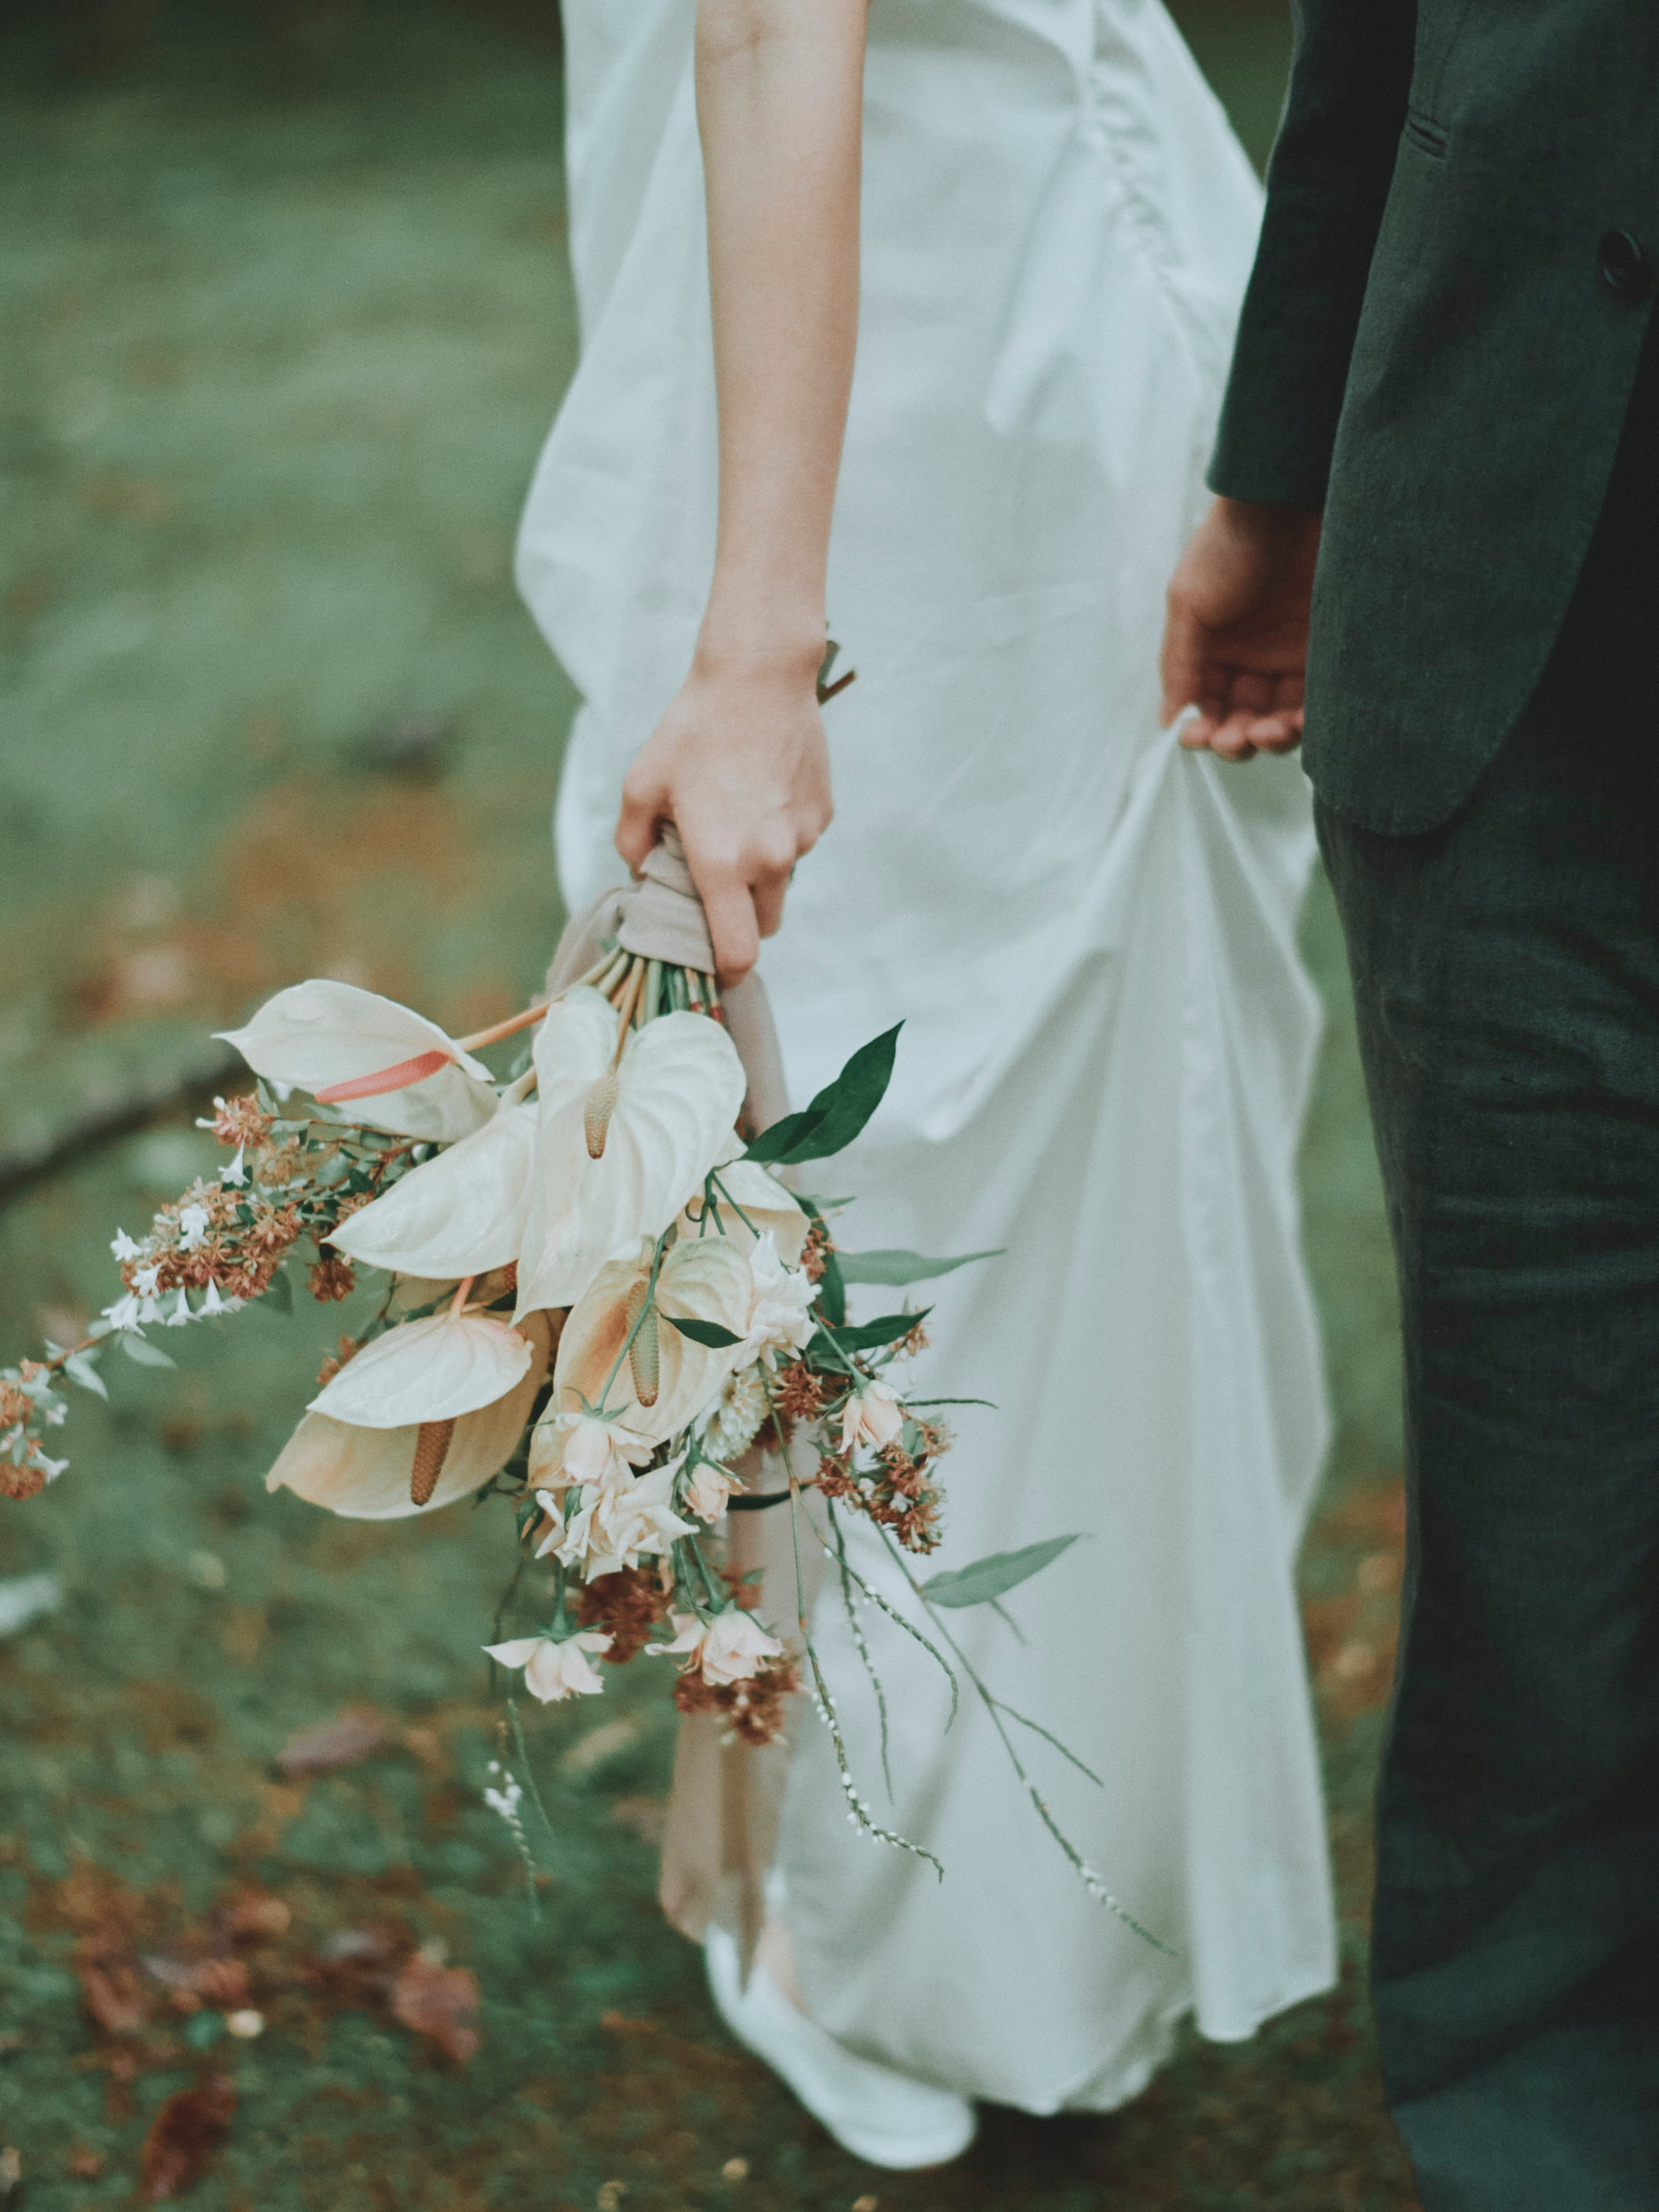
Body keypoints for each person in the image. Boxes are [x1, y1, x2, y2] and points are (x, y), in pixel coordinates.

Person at [518, 0, 1337, 2168]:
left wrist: (759, 638)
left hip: (909, 383)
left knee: (884, 1127)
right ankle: (1026, 1904)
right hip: (1042, 303)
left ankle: (933, 1921)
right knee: (979, 1125)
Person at [1161, 4, 1659, 2205]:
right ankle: (1533, 2119)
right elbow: (1367, 39)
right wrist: (1271, 484)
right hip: (1509, 622)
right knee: (1536, 1461)